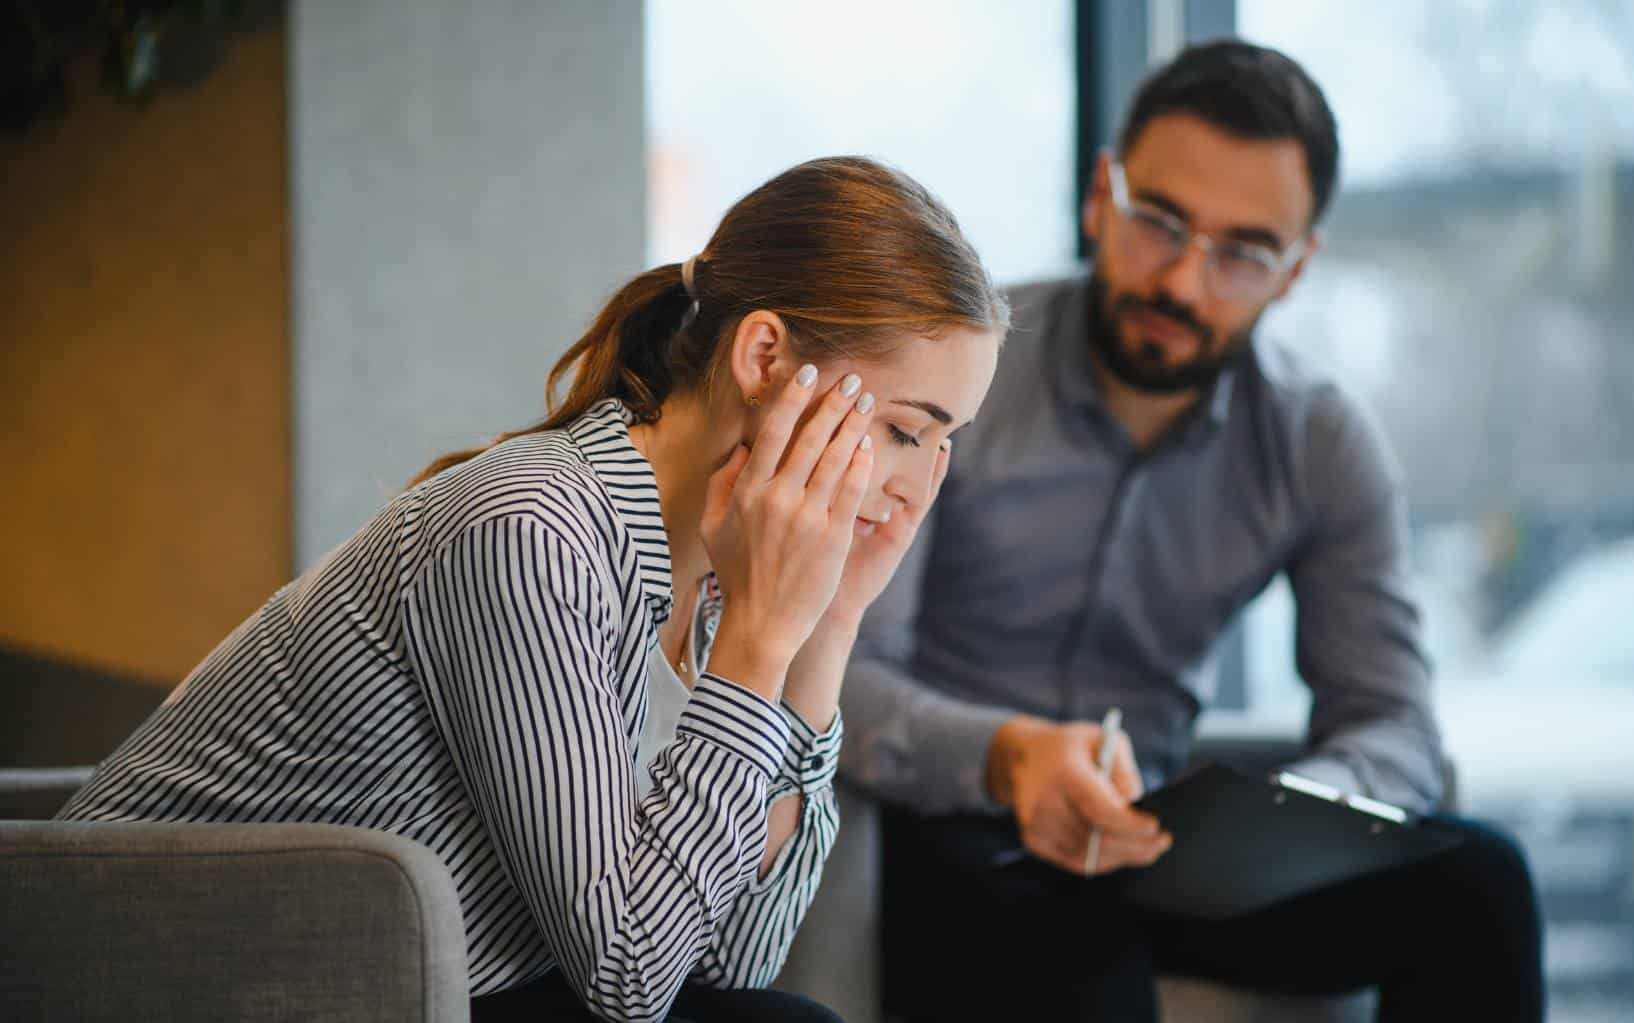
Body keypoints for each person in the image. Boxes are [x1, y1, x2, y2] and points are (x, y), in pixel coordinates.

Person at [58, 156, 1006, 1023]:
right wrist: (764, 643)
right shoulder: (530, 530)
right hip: (181, 979)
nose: (919, 482)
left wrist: (828, 626)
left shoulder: (728, 572)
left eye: (943, 442)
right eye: (906, 430)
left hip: (432, 982)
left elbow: (731, 961)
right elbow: (634, 972)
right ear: (764, 359)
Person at [840, 41, 1544, 1021]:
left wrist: (1290, 817)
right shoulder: (965, 379)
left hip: (1161, 850)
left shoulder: (1317, 439)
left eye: (1242, 254)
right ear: (1101, 197)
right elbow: (842, 676)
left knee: (1481, 885)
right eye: (1159, 223)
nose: (1183, 282)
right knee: (1071, 964)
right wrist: (1008, 755)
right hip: (964, 831)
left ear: (1295, 271)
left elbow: (1393, 722)